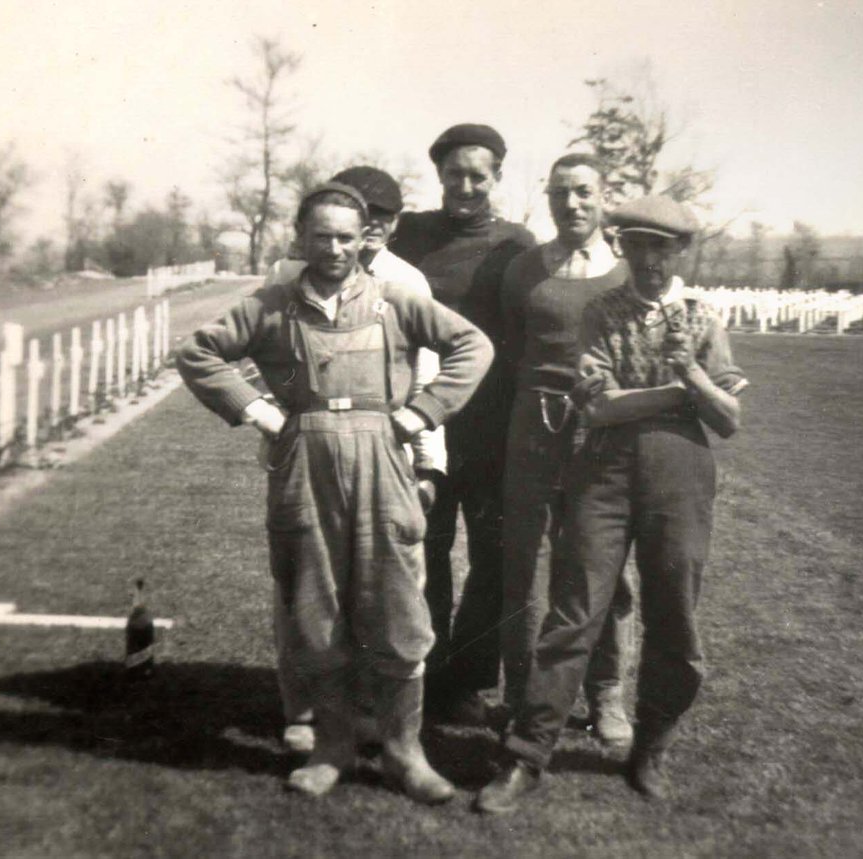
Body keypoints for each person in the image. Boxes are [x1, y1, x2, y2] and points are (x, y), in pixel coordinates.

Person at [176, 182, 493, 804]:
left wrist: (420, 415)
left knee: (400, 612)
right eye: (321, 235)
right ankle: (333, 748)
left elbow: (472, 346)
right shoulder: (271, 305)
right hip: (305, 462)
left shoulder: (397, 301)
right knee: (315, 614)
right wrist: (260, 412)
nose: (334, 248)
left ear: (365, 238)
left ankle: (406, 754)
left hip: (383, 456)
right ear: (301, 237)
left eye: (346, 236)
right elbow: (198, 353)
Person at [475, 194, 746, 814]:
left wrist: (693, 377)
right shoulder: (601, 312)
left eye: (663, 247)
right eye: (639, 245)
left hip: (680, 473)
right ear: (624, 248)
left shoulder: (704, 317)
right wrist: (680, 391)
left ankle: (650, 747)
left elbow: (729, 418)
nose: (650, 258)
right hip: (603, 472)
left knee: (674, 611)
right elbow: (596, 409)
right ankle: (525, 754)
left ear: (681, 252)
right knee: (575, 610)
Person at [263, 166, 447, 755]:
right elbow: (265, 356)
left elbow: (426, 374)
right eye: (343, 223)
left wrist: (426, 463)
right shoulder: (287, 275)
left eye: (375, 223)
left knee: (390, 589)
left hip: (384, 459)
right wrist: (275, 421)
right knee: (303, 591)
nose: (356, 238)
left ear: (385, 227)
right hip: (307, 459)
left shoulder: (404, 282)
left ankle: (381, 720)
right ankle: (303, 712)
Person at [391, 123, 537, 723]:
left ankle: (470, 679)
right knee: (424, 544)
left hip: (490, 423)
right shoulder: (411, 234)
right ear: (440, 176)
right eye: (456, 174)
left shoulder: (517, 245)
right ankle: (424, 668)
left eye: (479, 175)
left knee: (493, 552)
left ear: (497, 178)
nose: (466, 186)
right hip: (422, 417)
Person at [498, 153, 634, 746]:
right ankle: (519, 693)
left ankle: (607, 695)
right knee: (522, 564)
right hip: (532, 427)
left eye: (583, 192)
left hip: (602, 433)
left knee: (600, 567)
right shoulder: (526, 268)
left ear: (604, 198)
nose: (571, 204)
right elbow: (506, 349)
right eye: (559, 193)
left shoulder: (627, 275)